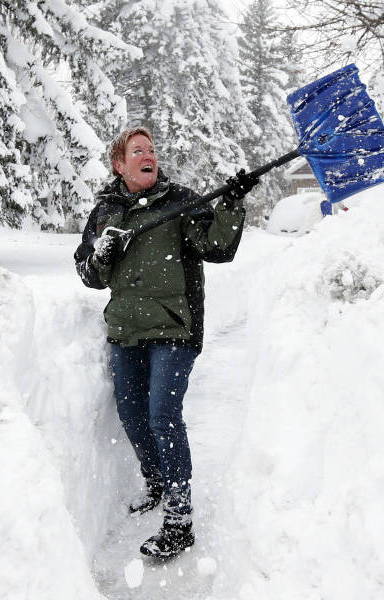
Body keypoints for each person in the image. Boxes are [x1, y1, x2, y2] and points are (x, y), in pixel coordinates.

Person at [74, 126, 258, 558]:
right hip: (125, 331)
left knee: (162, 415)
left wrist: (231, 202)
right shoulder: (105, 212)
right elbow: (88, 275)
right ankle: (156, 480)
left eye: (152, 149)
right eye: (138, 150)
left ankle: (179, 519)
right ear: (120, 164)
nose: (149, 155)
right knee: (132, 414)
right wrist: (101, 255)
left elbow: (217, 247)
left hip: (174, 329)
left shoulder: (180, 201)